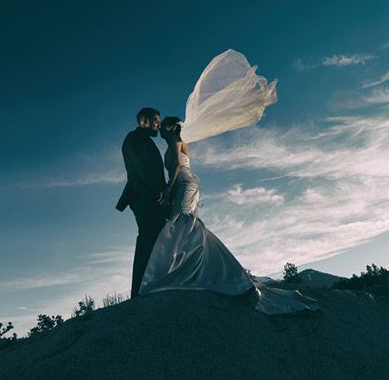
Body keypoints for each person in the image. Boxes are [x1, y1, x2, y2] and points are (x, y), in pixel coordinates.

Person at [139, 116, 319, 314]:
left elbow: (176, 167)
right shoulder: (173, 143)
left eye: (163, 126)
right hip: (183, 184)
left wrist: (167, 189)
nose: (161, 130)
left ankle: (184, 271)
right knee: (182, 224)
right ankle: (191, 269)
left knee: (181, 222)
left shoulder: (175, 140)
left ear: (171, 128)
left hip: (184, 183)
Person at [116, 107, 168, 298]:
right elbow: (143, 167)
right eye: (155, 120)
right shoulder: (134, 139)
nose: (158, 124)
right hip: (143, 197)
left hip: (149, 196)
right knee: (147, 239)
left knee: (155, 239)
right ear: (143, 121)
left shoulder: (142, 140)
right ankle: (139, 291)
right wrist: (161, 189)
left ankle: (151, 285)